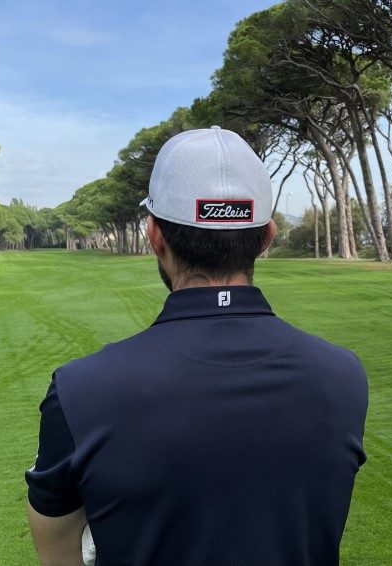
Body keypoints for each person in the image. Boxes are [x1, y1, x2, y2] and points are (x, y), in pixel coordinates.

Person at [25, 126, 369, 565]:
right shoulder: (343, 375)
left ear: (154, 235)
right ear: (267, 237)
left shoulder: (79, 389)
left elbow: (57, 545)